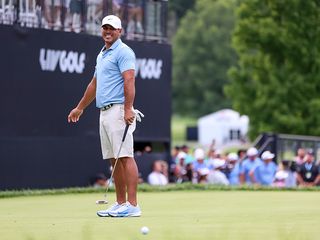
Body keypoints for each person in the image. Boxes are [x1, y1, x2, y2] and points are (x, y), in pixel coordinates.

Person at [67, 15, 141, 217]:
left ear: (120, 31)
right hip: (105, 111)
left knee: (125, 157)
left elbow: (129, 80)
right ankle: (120, 203)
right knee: (113, 159)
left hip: (118, 110)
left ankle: (133, 205)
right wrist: (80, 107)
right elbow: (94, 84)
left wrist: (128, 108)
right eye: (105, 28)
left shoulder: (124, 51)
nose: (108, 32)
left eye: (112, 28)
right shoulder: (102, 54)